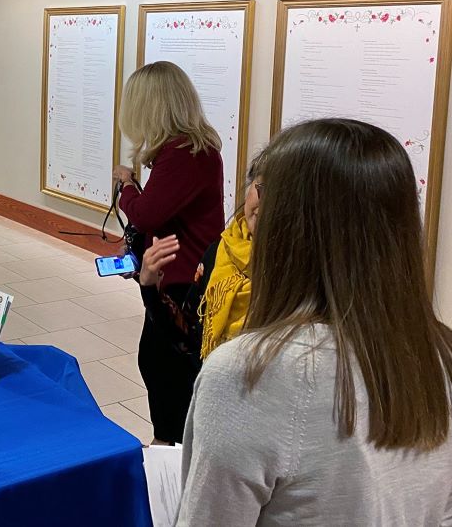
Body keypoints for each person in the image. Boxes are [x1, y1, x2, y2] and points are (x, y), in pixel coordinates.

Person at [176, 118, 452, 525]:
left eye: (265, 190)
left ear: (290, 229)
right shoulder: (438, 350)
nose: (252, 202)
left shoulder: (250, 373)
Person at [113, 60, 223, 445]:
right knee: (161, 368)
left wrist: (126, 186)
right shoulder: (185, 149)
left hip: (183, 288)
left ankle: (167, 456)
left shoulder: (184, 152)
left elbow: (146, 214)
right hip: (171, 279)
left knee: (167, 371)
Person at [138, 151, 264, 368]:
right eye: (262, 189)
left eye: (285, 196)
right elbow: (190, 338)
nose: (269, 203)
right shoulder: (220, 253)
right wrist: (150, 288)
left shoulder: (304, 278)